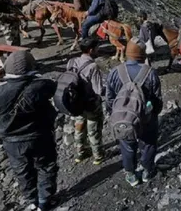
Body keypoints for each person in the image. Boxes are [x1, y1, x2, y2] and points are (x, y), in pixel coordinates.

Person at [0, 51, 58, 211]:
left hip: (13, 140)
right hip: (41, 134)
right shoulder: (45, 83)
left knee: (22, 171)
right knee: (46, 167)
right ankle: (45, 200)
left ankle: (31, 201)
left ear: (6, 68)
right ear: (32, 66)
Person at [105, 38, 163, 186]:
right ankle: (146, 171)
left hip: (125, 119)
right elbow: (157, 100)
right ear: (142, 55)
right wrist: (154, 113)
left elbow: (109, 99)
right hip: (146, 118)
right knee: (149, 143)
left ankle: (130, 174)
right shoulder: (150, 73)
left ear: (128, 53)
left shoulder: (115, 72)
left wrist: (117, 113)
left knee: (127, 145)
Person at [66, 38, 105, 164]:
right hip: (91, 104)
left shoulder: (72, 61)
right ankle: (98, 155)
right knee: (93, 130)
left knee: (79, 127)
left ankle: (80, 153)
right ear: (91, 50)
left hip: (76, 103)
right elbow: (98, 90)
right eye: (97, 48)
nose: (98, 50)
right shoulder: (93, 66)